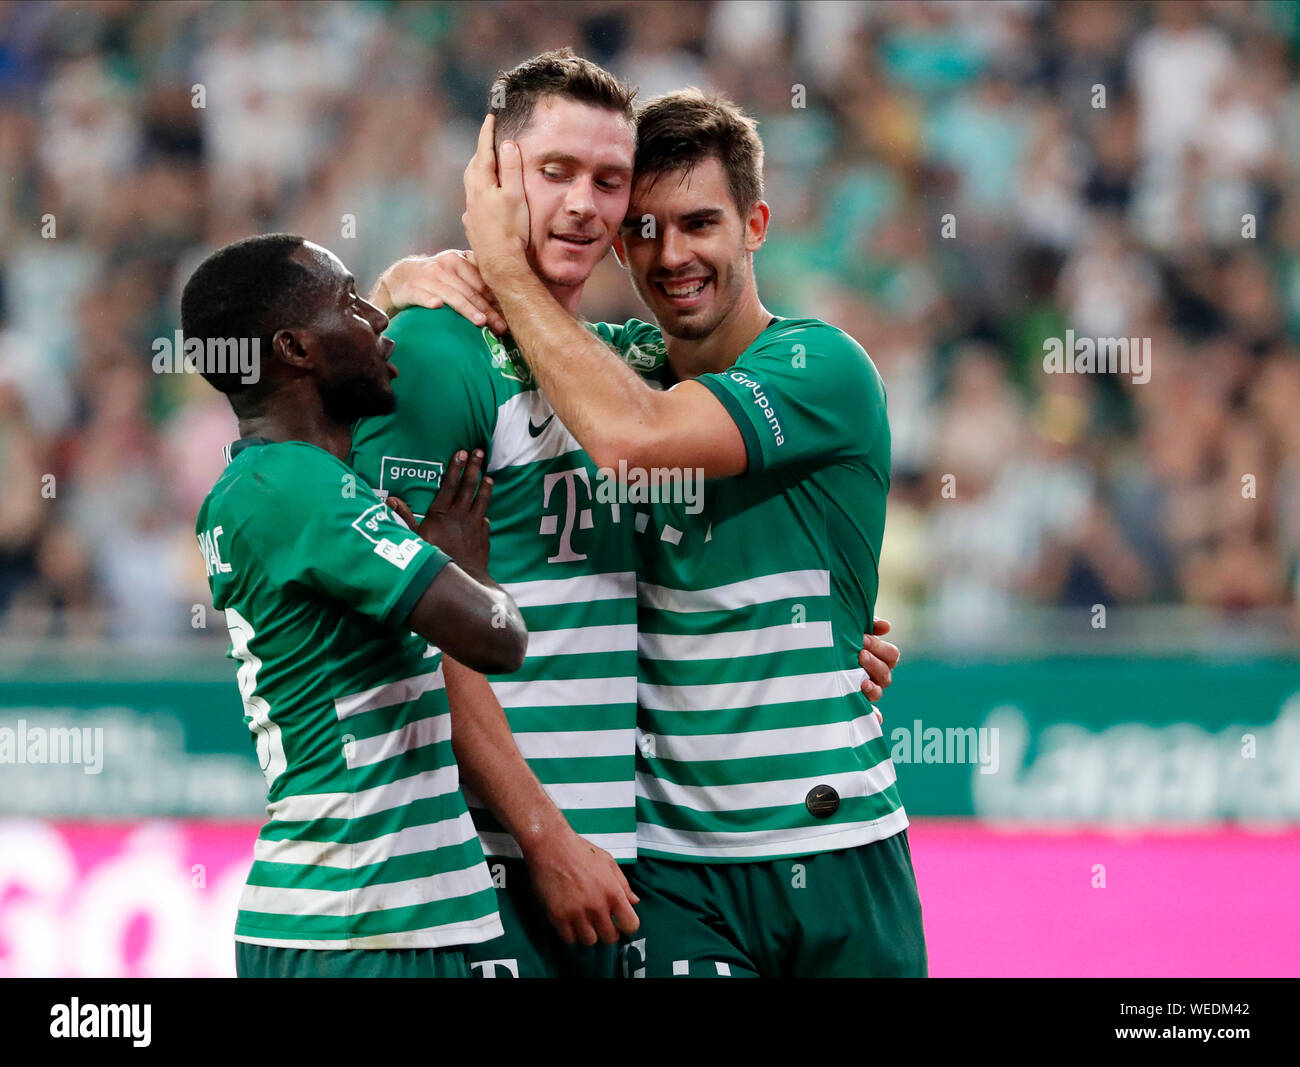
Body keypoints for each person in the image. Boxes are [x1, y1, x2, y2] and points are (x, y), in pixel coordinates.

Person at [356, 50, 902, 977]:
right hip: (526, 866)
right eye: (558, 173)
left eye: (609, 183)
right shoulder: (478, 355)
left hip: (748, 851)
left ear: (757, 225)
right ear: (496, 181)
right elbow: (400, 628)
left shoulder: (673, 373)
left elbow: (633, 435)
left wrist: (818, 637)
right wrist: (398, 287)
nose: (668, 250)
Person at [185, 234, 527, 978]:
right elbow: (501, 638)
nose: (377, 316)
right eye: (349, 303)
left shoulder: (266, 485)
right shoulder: (300, 490)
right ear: (296, 350)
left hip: (375, 918)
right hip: (360, 925)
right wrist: (469, 568)